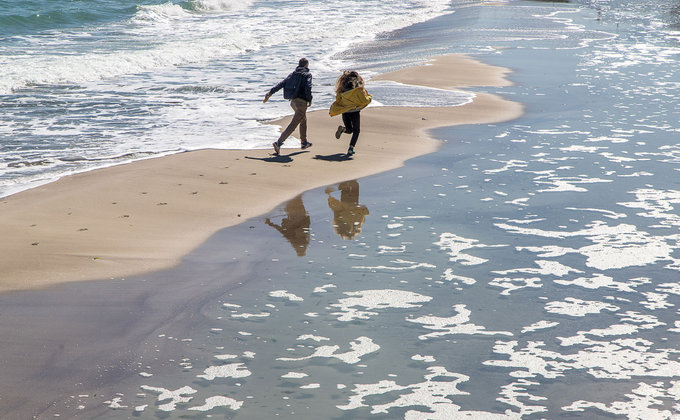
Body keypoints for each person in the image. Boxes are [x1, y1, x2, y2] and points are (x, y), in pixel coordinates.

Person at [264, 58, 313, 155]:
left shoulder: (293, 74)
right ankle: (278, 143)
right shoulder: (307, 74)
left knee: (303, 119)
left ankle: (304, 142)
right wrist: (309, 99)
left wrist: (270, 92)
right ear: (306, 65)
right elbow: (308, 86)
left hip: (293, 102)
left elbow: (281, 84)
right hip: (301, 103)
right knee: (293, 124)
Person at [329, 70, 372, 156]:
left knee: (349, 130)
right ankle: (350, 149)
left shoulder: (342, 90)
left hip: (344, 111)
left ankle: (343, 129)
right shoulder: (358, 90)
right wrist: (370, 97)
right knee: (356, 131)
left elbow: (338, 101)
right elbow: (364, 100)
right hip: (354, 112)